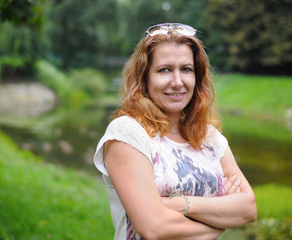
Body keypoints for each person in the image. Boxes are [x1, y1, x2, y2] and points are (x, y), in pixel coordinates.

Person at [94, 23, 257, 240]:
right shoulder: (128, 133)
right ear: (144, 78)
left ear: (197, 77)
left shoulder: (209, 137)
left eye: (186, 69)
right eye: (165, 70)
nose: (178, 82)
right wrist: (220, 221)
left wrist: (177, 204)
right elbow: (155, 228)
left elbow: (248, 208)